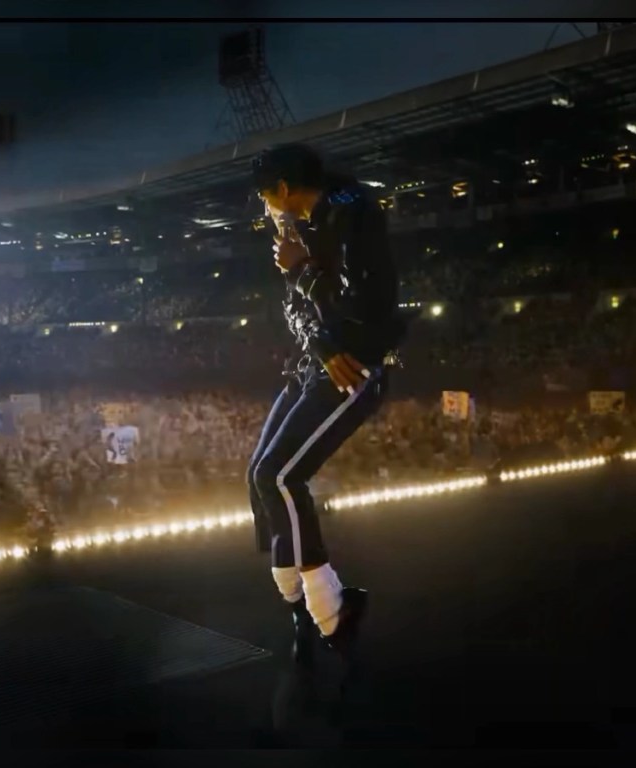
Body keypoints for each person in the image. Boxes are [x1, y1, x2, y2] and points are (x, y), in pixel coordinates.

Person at [246, 143, 406, 664]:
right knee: (259, 476)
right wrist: (318, 338)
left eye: (267, 197)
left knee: (281, 476)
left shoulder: (352, 212)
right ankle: (299, 606)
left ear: (286, 190)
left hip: (353, 369)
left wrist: (300, 272)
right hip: (318, 361)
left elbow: (366, 305)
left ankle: (332, 612)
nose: (265, 208)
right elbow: (294, 308)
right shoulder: (299, 224)